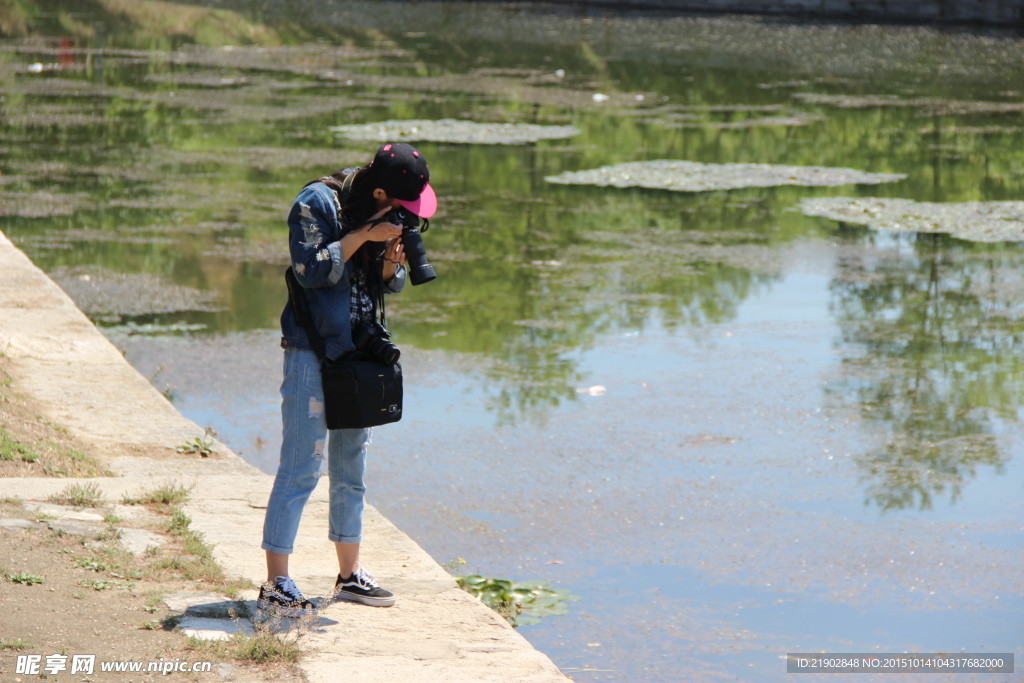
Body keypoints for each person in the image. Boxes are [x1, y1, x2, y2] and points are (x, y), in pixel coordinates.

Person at [259, 142, 437, 615]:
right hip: (311, 351)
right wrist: (363, 235)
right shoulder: (317, 202)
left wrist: (390, 257)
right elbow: (310, 270)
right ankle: (277, 582)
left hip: (358, 352)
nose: (407, 218)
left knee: (351, 468)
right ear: (380, 191)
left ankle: (349, 575)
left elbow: (380, 286)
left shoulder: (381, 211)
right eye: (402, 209)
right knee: (301, 467)